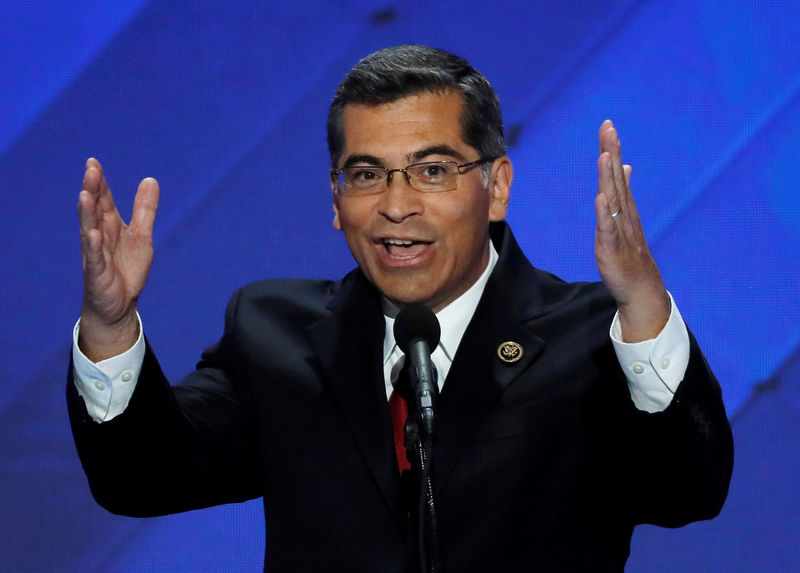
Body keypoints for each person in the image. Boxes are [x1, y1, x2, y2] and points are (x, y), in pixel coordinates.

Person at [68, 45, 733, 572]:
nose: (395, 204)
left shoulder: (590, 338)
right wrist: (111, 323)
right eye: (366, 174)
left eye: (432, 169)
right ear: (336, 199)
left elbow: (687, 491)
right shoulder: (274, 332)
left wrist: (644, 305)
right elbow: (142, 478)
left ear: (495, 186)